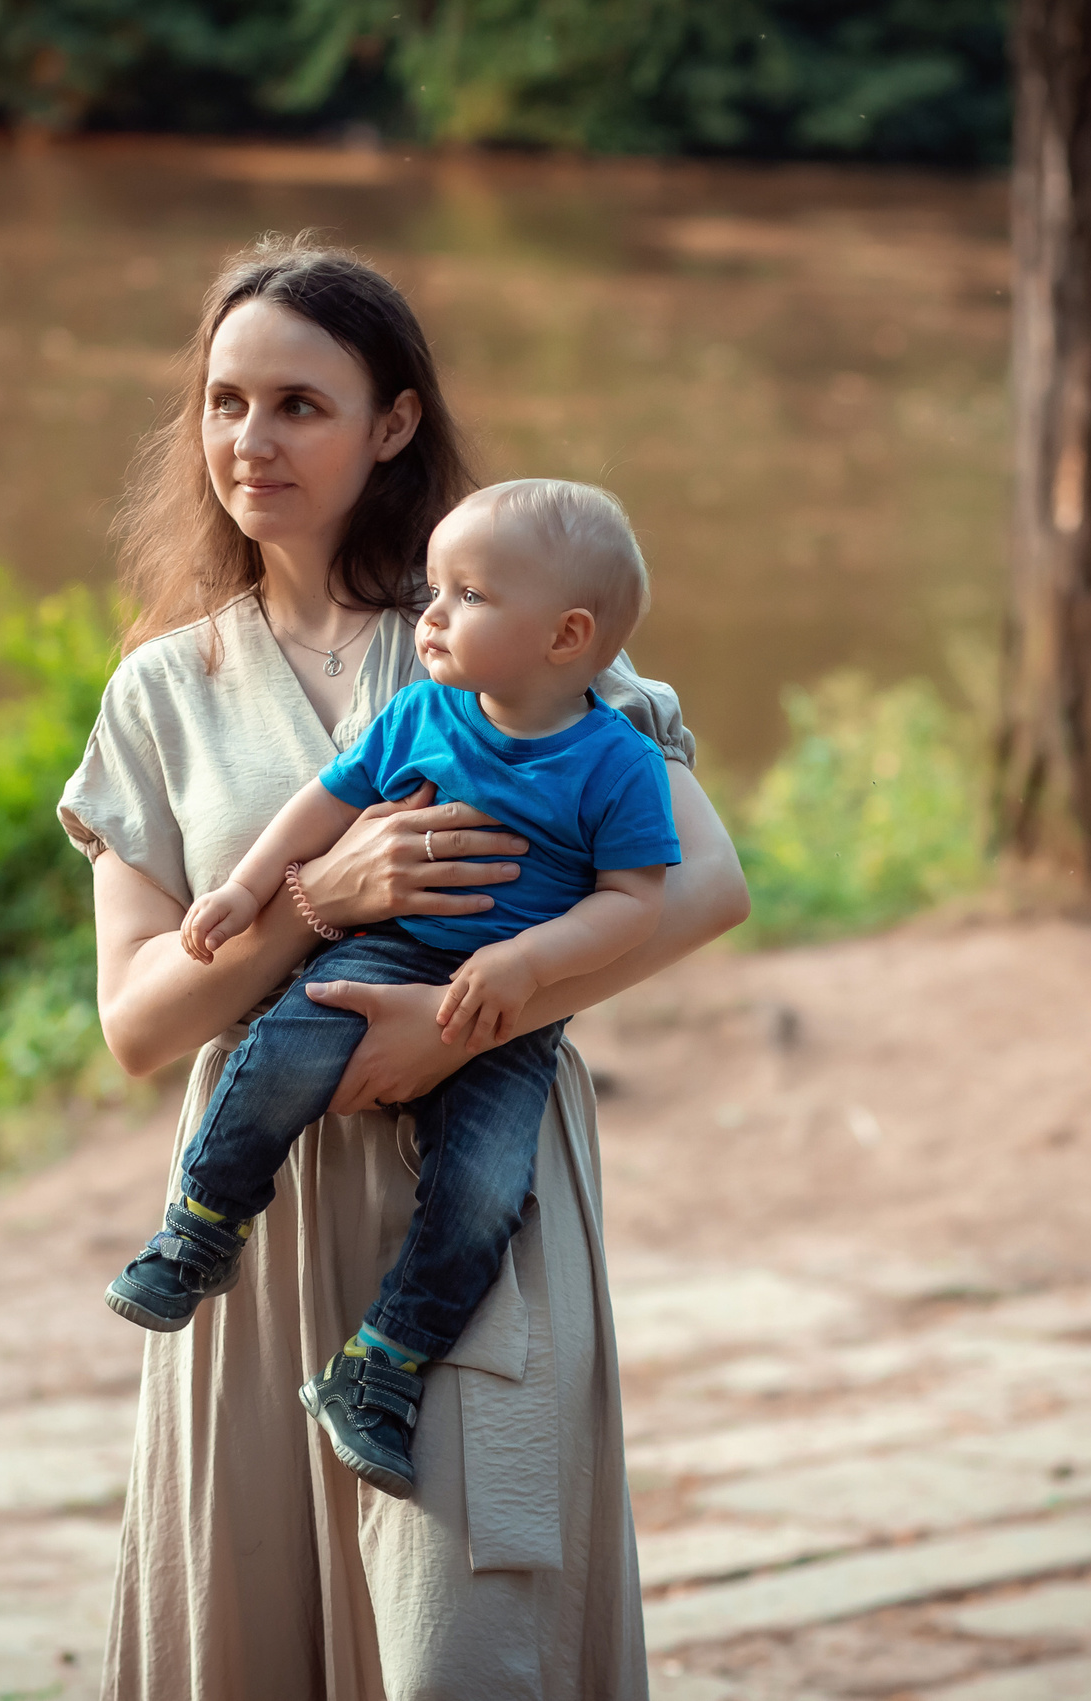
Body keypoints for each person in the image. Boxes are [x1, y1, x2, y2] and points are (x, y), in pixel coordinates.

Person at [57, 235, 749, 1701]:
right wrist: (319, 896)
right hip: (252, 1221)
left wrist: (453, 1024)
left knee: (464, 1651)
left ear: (393, 423)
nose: (254, 440)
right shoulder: (163, 694)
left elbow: (703, 886)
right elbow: (136, 1026)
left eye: (301, 404)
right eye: (226, 401)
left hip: (474, 1195)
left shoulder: (505, 624)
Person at [105, 479, 678, 1503]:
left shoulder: (618, 760)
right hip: (386, 954)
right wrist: (244, 889)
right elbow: (322, 804)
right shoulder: (421, 714)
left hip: (509, 1012)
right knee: (279, 1051)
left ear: (565, 636)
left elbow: (638, 903)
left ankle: (382, 1365)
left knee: (486, 1188)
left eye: (467, 596)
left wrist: (530, 967)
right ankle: (200, 1225)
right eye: (434, 590)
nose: (434, 616)